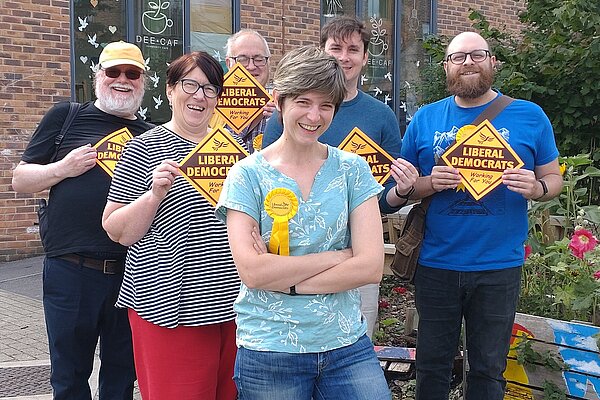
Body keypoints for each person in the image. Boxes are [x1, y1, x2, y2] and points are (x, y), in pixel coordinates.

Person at [215, 45, 392, 400]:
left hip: (345, 342)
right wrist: (339, 256)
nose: (315, 116)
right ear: (279, 100)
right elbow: (252, 272)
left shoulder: (352, 169)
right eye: (304, 102)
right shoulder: (247, 176)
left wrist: (290, 282)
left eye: (326, 105)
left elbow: (371, 266)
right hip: (271, 346)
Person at [400, 31, 563, 400]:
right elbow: (403, 187)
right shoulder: (425, 119)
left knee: (489, 370)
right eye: (458, 57)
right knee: (431, 364)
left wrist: (536, 188)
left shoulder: (530, 115)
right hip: (436, 264)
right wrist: (430, 182)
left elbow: (553, 179)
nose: (468, 62)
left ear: (493, 62)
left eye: (477, 54)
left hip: (498, 265)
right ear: (446, 67)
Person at [11, 41, 151, 400]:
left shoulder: (153, 135)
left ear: (143, 82)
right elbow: (20, 179)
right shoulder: (66, 116)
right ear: (97, 76)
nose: (123, 80)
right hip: (71, 270)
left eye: (132, 73)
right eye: (113, 72)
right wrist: (64, 167)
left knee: (122, 375)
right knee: (69, 376)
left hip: (131, 271)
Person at [263, 16, 418, 338]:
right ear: (322, 52)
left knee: (356, 340)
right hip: (293, 251)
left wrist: (401, 191)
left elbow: (384, 200)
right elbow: (269, 183)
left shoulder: (381, 116)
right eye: (336, 48)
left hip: (358, 252)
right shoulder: (286, 116)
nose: (344, 57)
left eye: (353, 49)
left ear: (364, 57)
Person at [102, 51, 240, 400]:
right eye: (190, 85)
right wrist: (153, 194)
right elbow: (116, 231)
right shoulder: (144, 147)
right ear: (170, 90)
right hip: (170, 308)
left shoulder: (235, 151)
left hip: (236, 307)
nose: (200, 96)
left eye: (210, 89)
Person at [210, 29, 275, 153]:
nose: (251, 66)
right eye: (242, 59)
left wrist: (284, 122)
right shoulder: (209, 106)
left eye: (259, 59)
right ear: (229, 63)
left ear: (268, 62)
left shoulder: (282, 109)